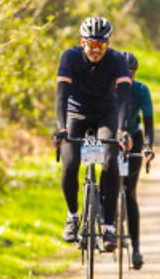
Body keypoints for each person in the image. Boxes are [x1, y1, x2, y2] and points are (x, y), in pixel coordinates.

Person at [55, 16, 133, 251]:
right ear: (82, 42)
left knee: (110, 161)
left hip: (105, 114)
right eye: (91, 44)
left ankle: (109, 228)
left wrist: (121, 129)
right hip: (75, 115)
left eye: (102, 45)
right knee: (70, 164)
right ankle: (73, 216)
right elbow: (61, 95)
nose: (96, 50)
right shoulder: (69, 57)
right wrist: (61, 128)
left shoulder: (117, 60)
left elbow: (125, 97)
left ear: (107, 45)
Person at [118, 53, 156, 270]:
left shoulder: (141, 90)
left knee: (130, 191)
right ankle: (108, 226)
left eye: (130, 74)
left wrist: (149, 147)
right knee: (109, 181)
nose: (127, 77)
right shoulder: (107, 87)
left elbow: (148, 122)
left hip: (134, 136)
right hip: (111, 136)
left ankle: (136, 248)